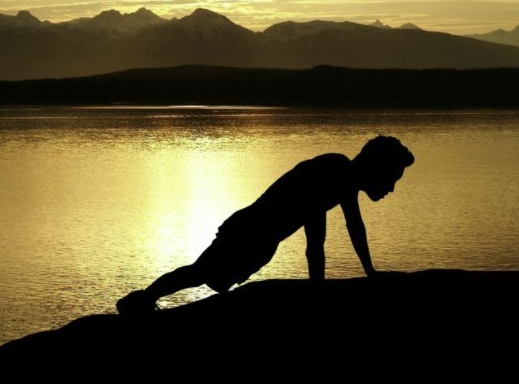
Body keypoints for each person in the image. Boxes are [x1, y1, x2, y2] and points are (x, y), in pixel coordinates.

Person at [117, 135, 414, 315]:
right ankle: (140, 300)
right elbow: (315, 244)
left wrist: (370, 273)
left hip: (257, 238)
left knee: (205, 275)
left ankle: (142, 299)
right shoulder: (333, 173)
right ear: (377, 169)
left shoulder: (344, 178)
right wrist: (318, 293)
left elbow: (355, 228)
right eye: (392, 178)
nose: (391, 188)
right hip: (248, 232)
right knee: (201, 273)